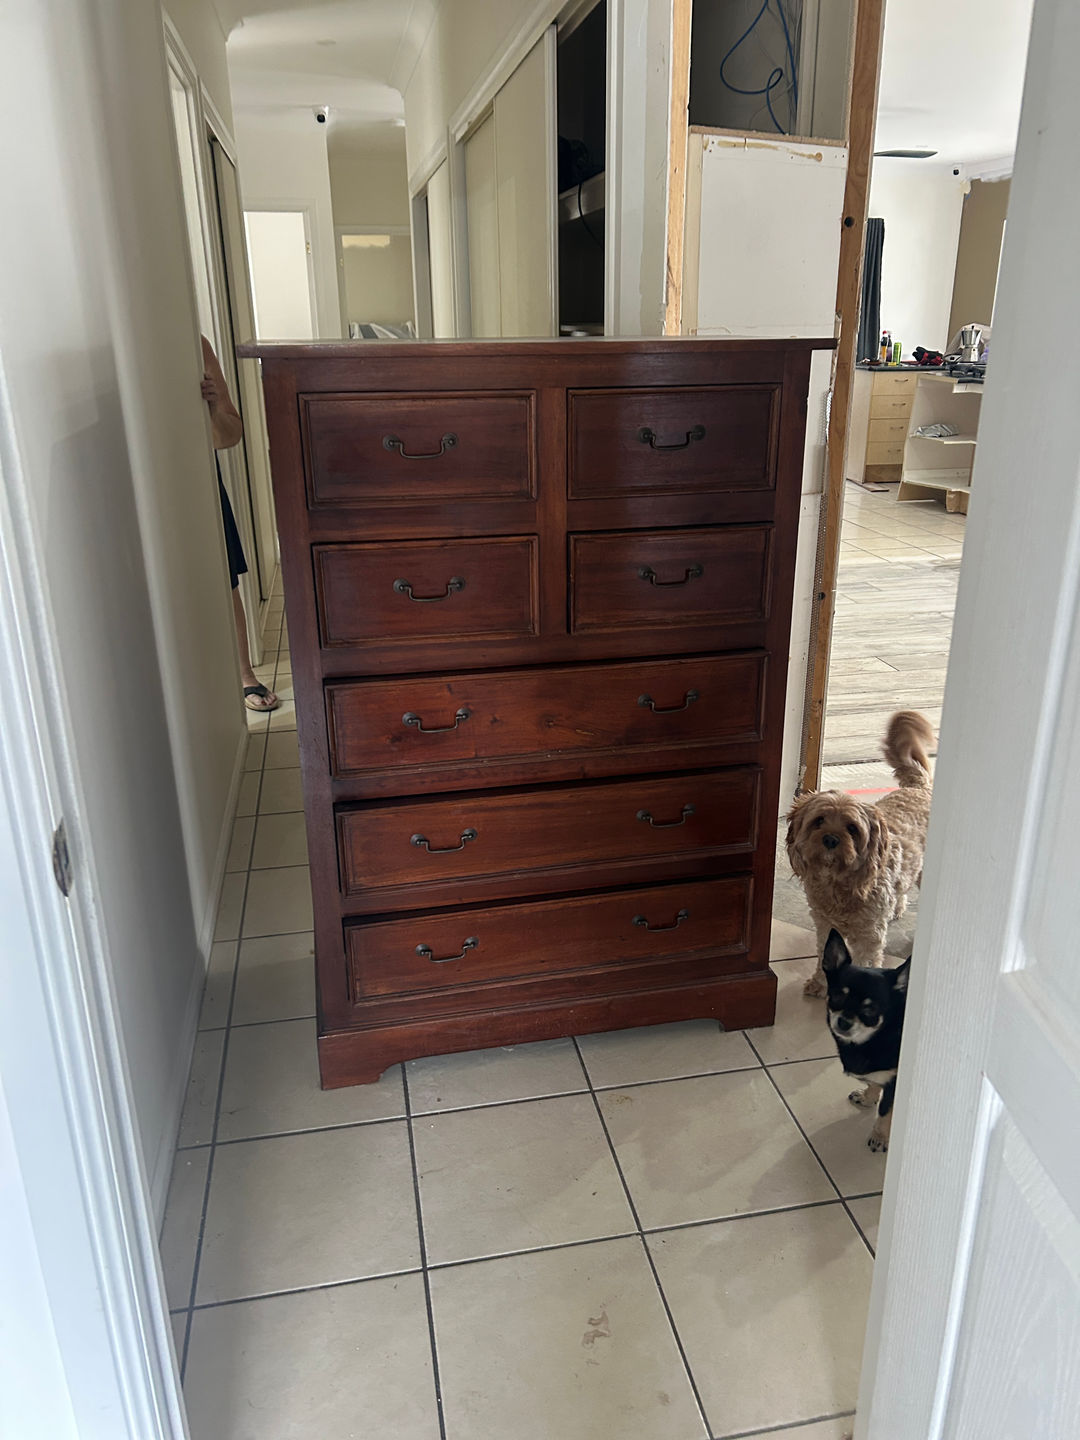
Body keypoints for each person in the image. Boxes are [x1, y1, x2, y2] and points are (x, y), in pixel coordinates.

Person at [200, 335, 278, 711]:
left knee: (225, 574)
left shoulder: (195, 346)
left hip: (199, 476)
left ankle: (245, 673)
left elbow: (232, 434)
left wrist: (213, 410)